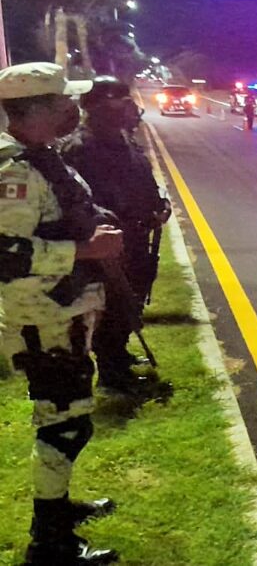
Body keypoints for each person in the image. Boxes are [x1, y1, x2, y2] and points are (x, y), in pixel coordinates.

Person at [0, 62, 122, 564]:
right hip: (40, 317)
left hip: (61, 310)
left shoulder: (40, 157)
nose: (74, 110)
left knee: (67, 416)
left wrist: (95, 223)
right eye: (64, 102)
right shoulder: (14, 171)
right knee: (64, 424)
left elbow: (58, 218)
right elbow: (6, 254)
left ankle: (58, 508)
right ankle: (49, 543)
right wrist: (84, 252)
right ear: (38, 109)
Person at [60, 76, 172, 400]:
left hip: (135, 238)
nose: (128, 106)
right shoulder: (80, 148)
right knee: (110, 307)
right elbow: (78, 202)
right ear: (95, 107)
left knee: (130, 301)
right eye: (118, 100)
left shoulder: (123, 141)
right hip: (107, 244)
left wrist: (158, 205)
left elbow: (142, 178)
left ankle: (119, 358)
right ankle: (112, 377)